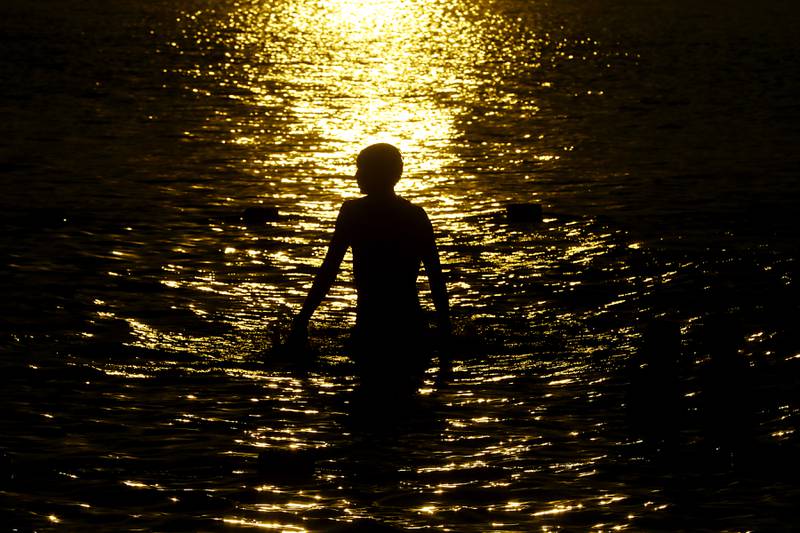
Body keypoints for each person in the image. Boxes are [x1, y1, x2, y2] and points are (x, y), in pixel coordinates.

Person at [286, 143, 451, 393]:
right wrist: (445, 331)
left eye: (361, 169)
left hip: (370, 330)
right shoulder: (416, 215)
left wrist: (302, 320)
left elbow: (329, 270)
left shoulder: (353, 213)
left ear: (377, 174)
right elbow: (436, 279)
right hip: (411, 331)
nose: (356, 176)